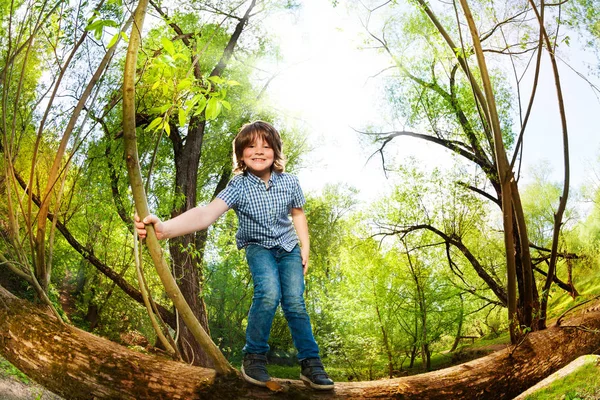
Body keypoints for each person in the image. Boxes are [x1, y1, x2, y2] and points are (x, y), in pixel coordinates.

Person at [134, 121, 334, 390]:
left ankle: (311, 364)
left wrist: (305, 247)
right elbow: (206, 213)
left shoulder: (290, 182)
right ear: (241, 154)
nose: (259, 151)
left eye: (266, 145)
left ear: (275, 151)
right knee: (269, 292)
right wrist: (164, 229)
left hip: (288, 248)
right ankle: (254, 358)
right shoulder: (238, 186)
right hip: (258, 247)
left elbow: (298, 213)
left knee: (295, 303)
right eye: (251, 146)